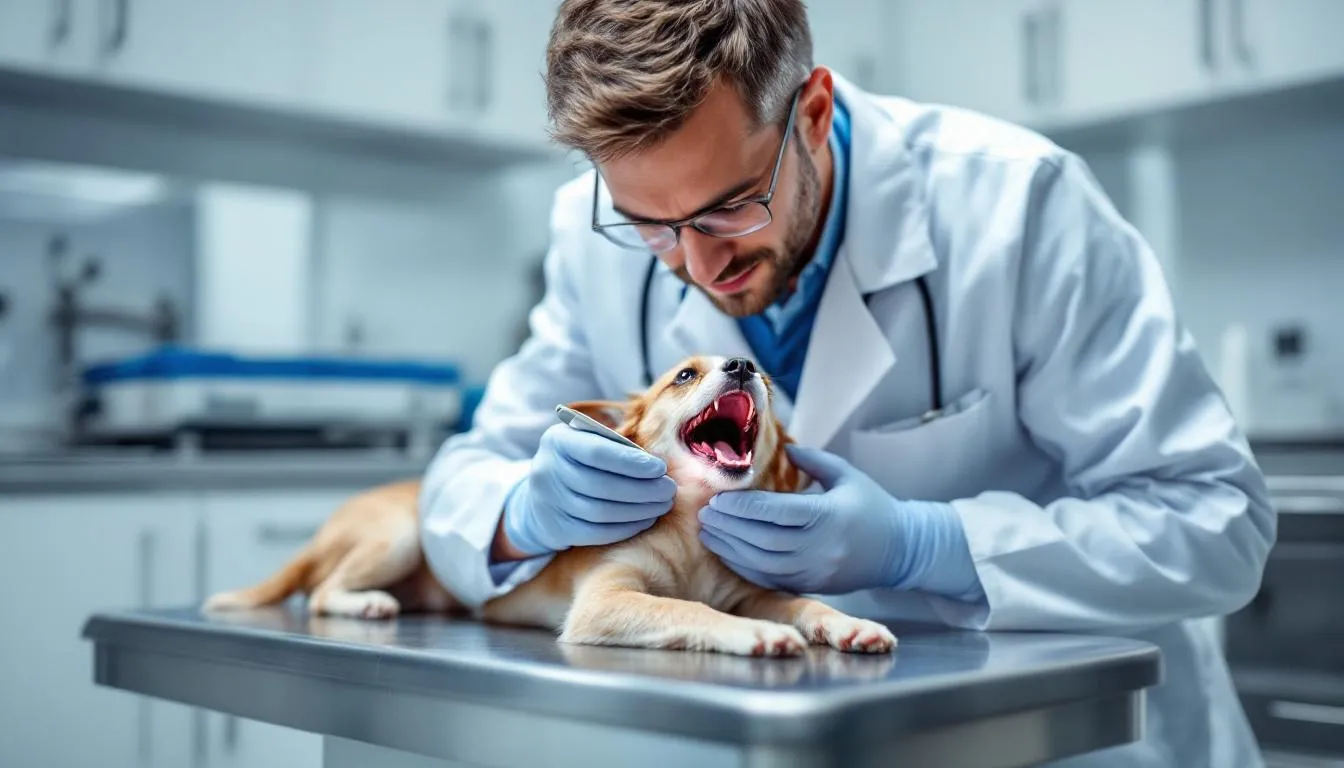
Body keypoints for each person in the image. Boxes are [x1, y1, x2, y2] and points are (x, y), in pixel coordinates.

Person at [419, 1, 1276, 765]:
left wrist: (925, 545)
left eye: (729, 207)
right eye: (651, 224)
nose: (695, 262)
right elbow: (466, 478)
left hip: (1058, 737)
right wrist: (519, 514)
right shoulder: (586, 235)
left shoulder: (1017, 205)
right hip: (774, 730)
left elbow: (1215, 520)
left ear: (815, 114)